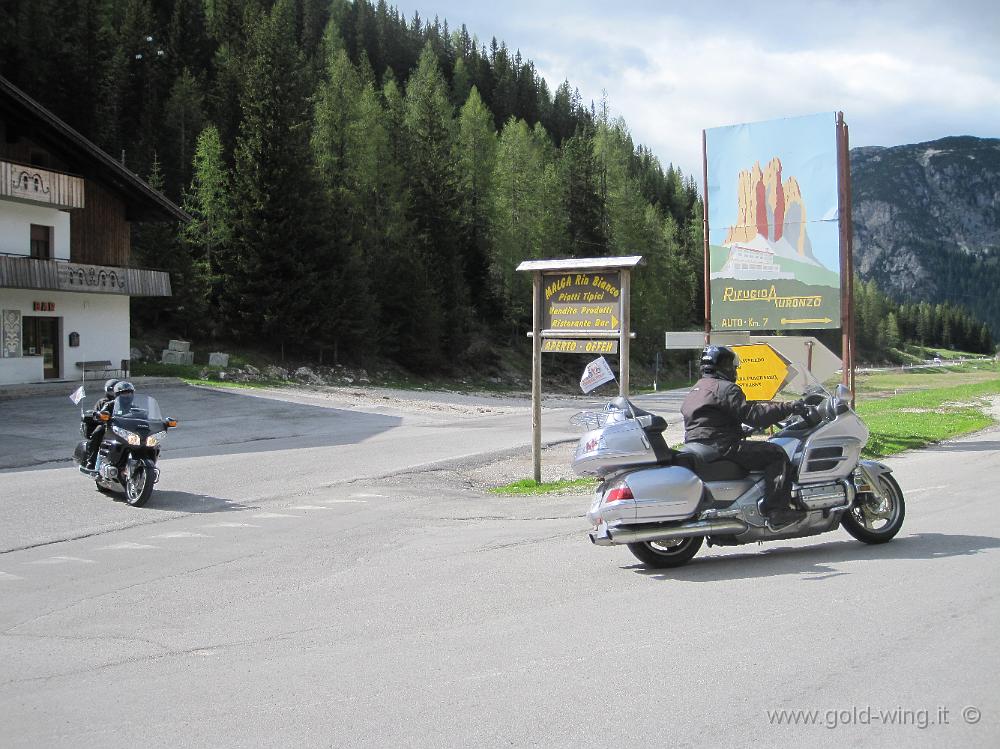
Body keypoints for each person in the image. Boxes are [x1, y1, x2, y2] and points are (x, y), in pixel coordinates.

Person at [681, 345, 809, 528]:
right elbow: (755, 415)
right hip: (722, 447)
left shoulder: (697, 389)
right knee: (777, 454)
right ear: (724, 366)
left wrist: (741, 430)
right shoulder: (726, 388)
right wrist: (789, 407)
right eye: (732, 366)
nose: (735, 370)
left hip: (698, 445)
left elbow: (713, 421)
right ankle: (776, 510)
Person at [84, 379, 118, 469]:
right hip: (107, 425)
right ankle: (91, 460)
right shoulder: (103, 402)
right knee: (98, 433)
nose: (114, 393)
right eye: (112, 391)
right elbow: (97, 414)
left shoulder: (127, 402)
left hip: (121, 426)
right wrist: (100, 416)